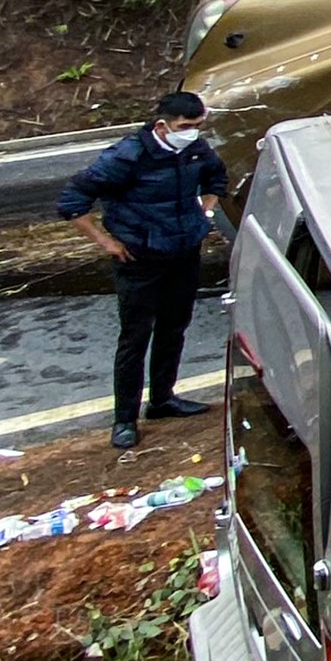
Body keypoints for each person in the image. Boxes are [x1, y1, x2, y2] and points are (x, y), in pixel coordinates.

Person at [58, 91, 229, 450]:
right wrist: (106, 242)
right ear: (162, 126)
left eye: (199, 126)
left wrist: (205, 211)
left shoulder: (196, 149)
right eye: (186, 127)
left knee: (174, 327)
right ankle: (124, 419)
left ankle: (163, 399)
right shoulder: (128, 156)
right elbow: (74, 200)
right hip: (139, 259)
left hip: (183, 252)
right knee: (135, 338)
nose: (193, 133)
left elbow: (216, 178)